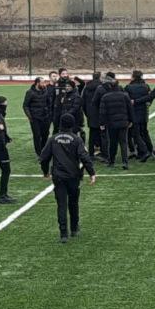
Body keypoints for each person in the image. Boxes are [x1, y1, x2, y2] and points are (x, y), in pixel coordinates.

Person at [40, 113, 97, 242]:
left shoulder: (53, 139)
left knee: (61, 204)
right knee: (73, 202)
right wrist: (91, 173)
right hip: (73, 176)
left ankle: (63, 233)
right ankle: (74, 228)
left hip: (58, 176)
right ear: (72, 124)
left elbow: (43, 158)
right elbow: (84, 157)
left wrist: (45, 172)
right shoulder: (76, 139)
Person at [98, 75, 133, 169]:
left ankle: (111, 162)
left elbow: (102, 112)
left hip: (111, 123)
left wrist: (102, 123)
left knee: (112, 143)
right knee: (123, 142)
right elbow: (130, 109)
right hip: (123, 123)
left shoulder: (105, 97)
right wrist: (131, 120)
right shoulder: (125, 95)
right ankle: (125, 162)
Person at [125, 70, 154, 163]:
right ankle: (149, 149)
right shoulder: (146, 86)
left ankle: (144, 151)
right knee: (144, 132)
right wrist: (147, 103)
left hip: (133, 113)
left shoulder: (128, 87)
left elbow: (126, 100)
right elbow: (150, 97)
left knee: (135, 133)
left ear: (133, 77)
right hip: (144, 112)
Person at [22, 76, 52, 156]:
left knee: (45, 134)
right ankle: (39, 153)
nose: (44, 84)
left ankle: (44, 150)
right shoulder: (30, 92)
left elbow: (49, 103)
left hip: (45, 117)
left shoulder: (45, 91)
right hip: (35, 118)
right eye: (42, 82)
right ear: (37, 83)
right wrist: (30, 116)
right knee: (37, 136)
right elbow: (25, 106)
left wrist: (49, 113)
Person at [52, 77, 84, 142]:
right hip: (65, 119)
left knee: (74, 136)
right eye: (66, 86)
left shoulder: (76, 96)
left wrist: (66, 115)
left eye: (69, 86)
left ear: (72, 87)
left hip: (74, 120)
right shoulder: (65, 95)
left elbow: (75, 108)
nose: (67, 87)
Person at [82, 71, 104, 159]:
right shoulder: (102, 87)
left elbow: (83, 101)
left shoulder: (87, 87)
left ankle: (91, 153)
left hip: (90, 113)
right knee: (102, 133)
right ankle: (103, 152)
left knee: (92, 133)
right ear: (99, 77)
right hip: (101, 113)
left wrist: (87, 113)